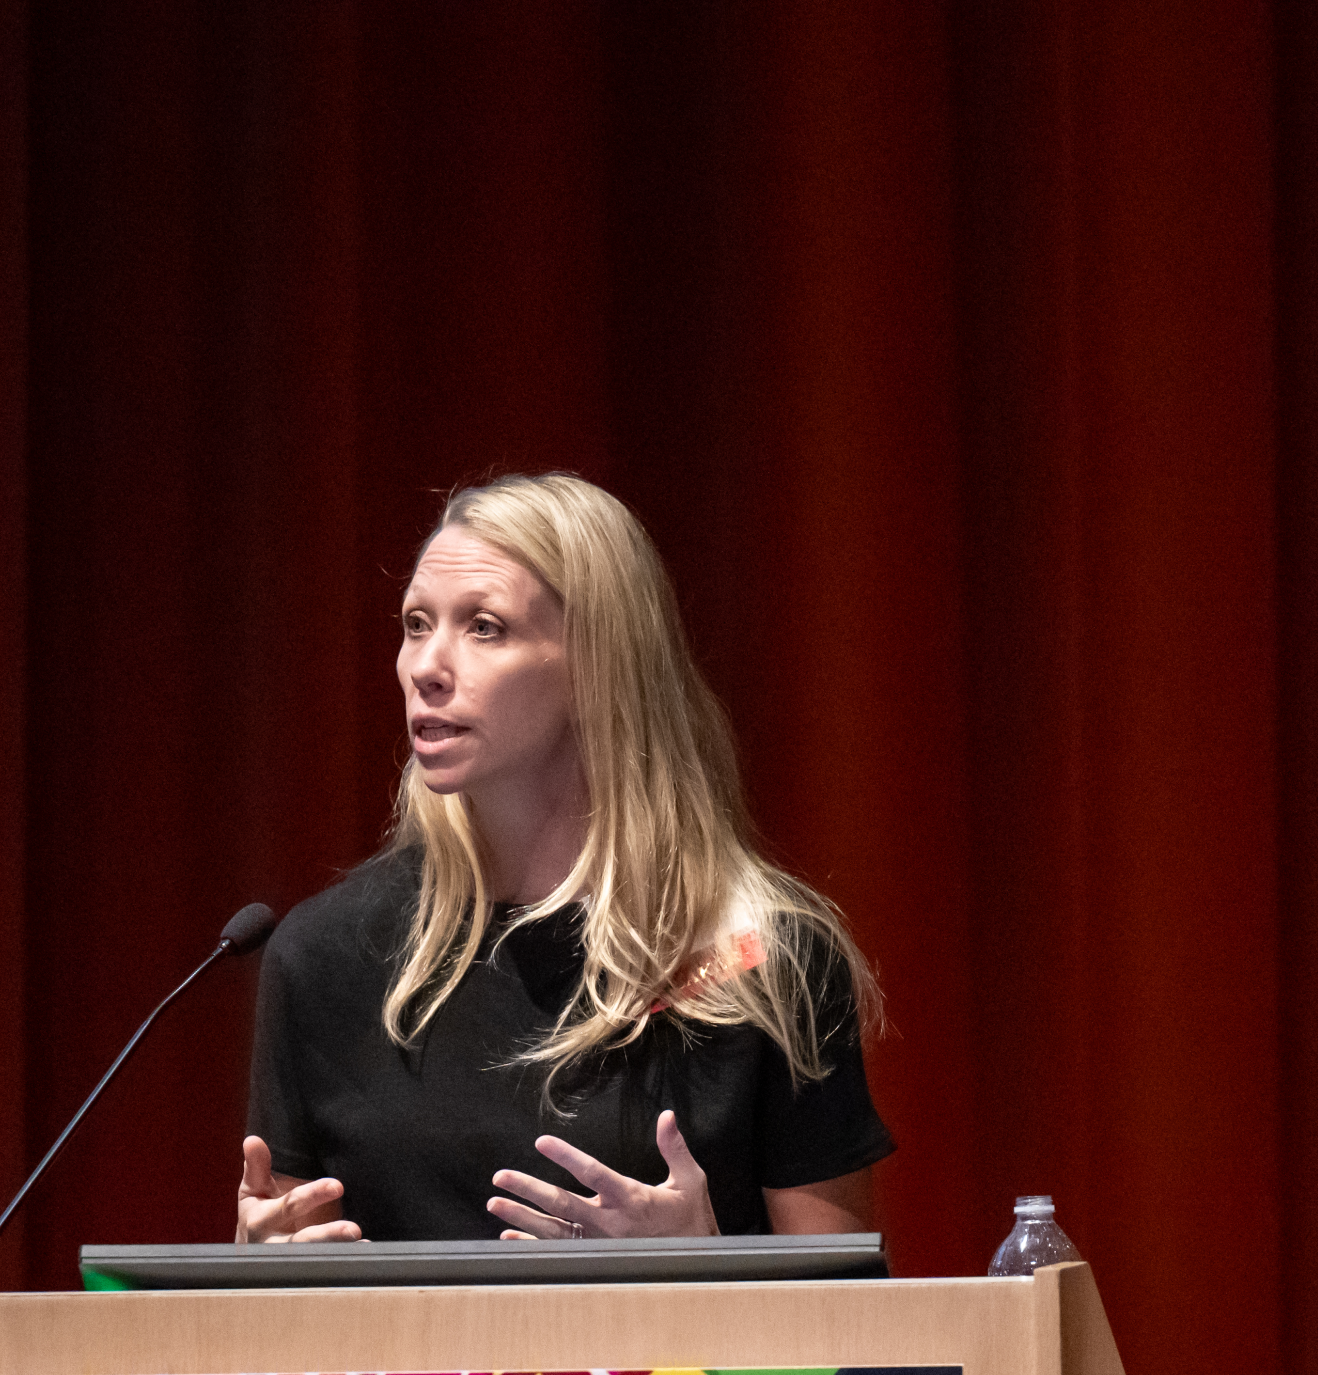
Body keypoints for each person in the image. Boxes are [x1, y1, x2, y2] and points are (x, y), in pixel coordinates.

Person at [239, 473, 894, 1243]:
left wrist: (711, 1268)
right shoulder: (325, 958)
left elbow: (857, 1337)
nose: (426, 666)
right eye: (417, 623)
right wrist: (260, 1275)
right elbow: (284, 1309)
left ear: (599, 663)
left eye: (484, 627)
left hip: (678, 1370)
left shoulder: (759, 960)